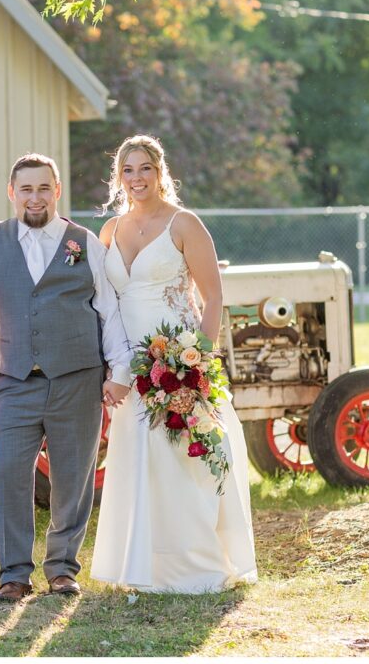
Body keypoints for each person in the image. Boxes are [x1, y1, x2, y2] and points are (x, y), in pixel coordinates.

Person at [0, 153, 133, 602]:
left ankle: (62, 569)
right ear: (12, 194)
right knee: (9, 475)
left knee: (73, 479)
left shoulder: (84, 242)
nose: (36, 198)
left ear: (57, 191)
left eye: (44, 188)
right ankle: (13, 574)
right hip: (13, 380)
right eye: (26, 189)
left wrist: (120, 372)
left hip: (77, 377)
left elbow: (109, 310)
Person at [90, 135, 258, 593]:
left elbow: (213, 296)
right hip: (131, 366)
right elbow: (105, 303)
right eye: (128, 170)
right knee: (139, 461)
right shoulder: (110, 231)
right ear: (118, 177)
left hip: (177, 359)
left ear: (160, 172)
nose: (137, 178)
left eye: (145, 168)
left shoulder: (184, 224)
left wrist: (196, 361)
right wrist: (113, 367)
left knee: (187, 458)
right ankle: (142, 567)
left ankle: (195, 565)